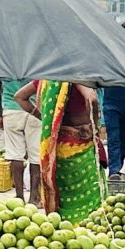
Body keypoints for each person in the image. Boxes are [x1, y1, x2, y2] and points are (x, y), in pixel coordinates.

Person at [18, 79, 102, 217]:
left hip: (57, 145)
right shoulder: (76, 77)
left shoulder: (46, 79)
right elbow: (91, 98)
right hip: (80, 141)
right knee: (87, 193)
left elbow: (20, 97)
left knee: (63, 192)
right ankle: (86, 225)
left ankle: (63, 225)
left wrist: (47, 120)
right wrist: (95, 126)